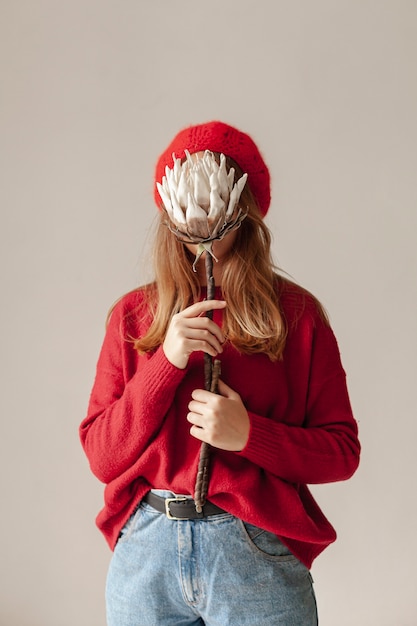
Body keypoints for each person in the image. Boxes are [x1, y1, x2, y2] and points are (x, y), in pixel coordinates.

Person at [80, 120, 360, 626]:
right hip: (147, 553)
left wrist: (250, 435)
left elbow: (341, 453)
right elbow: (102, 457)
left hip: (253, 551)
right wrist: (164, 363)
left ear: (246, 211)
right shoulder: (133, 317)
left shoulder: (295, 316)